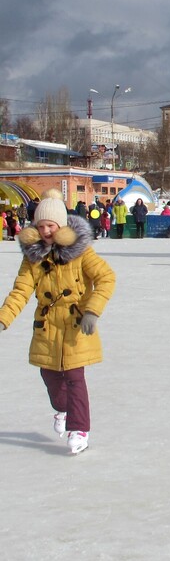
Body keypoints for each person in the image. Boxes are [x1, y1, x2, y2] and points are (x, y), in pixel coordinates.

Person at [0, 189, 116, 455]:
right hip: (47, 325)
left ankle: (80, 429)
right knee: (50, 376)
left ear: (61, 225)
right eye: (41, 226)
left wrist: (92, 311)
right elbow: (20, 291)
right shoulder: (33, 258)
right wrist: (3, 318)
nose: (46, 231)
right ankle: (62, 409)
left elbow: (106, 278)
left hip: (75, 323)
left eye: (50, 225)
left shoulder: (81, 252)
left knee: (75, 377)